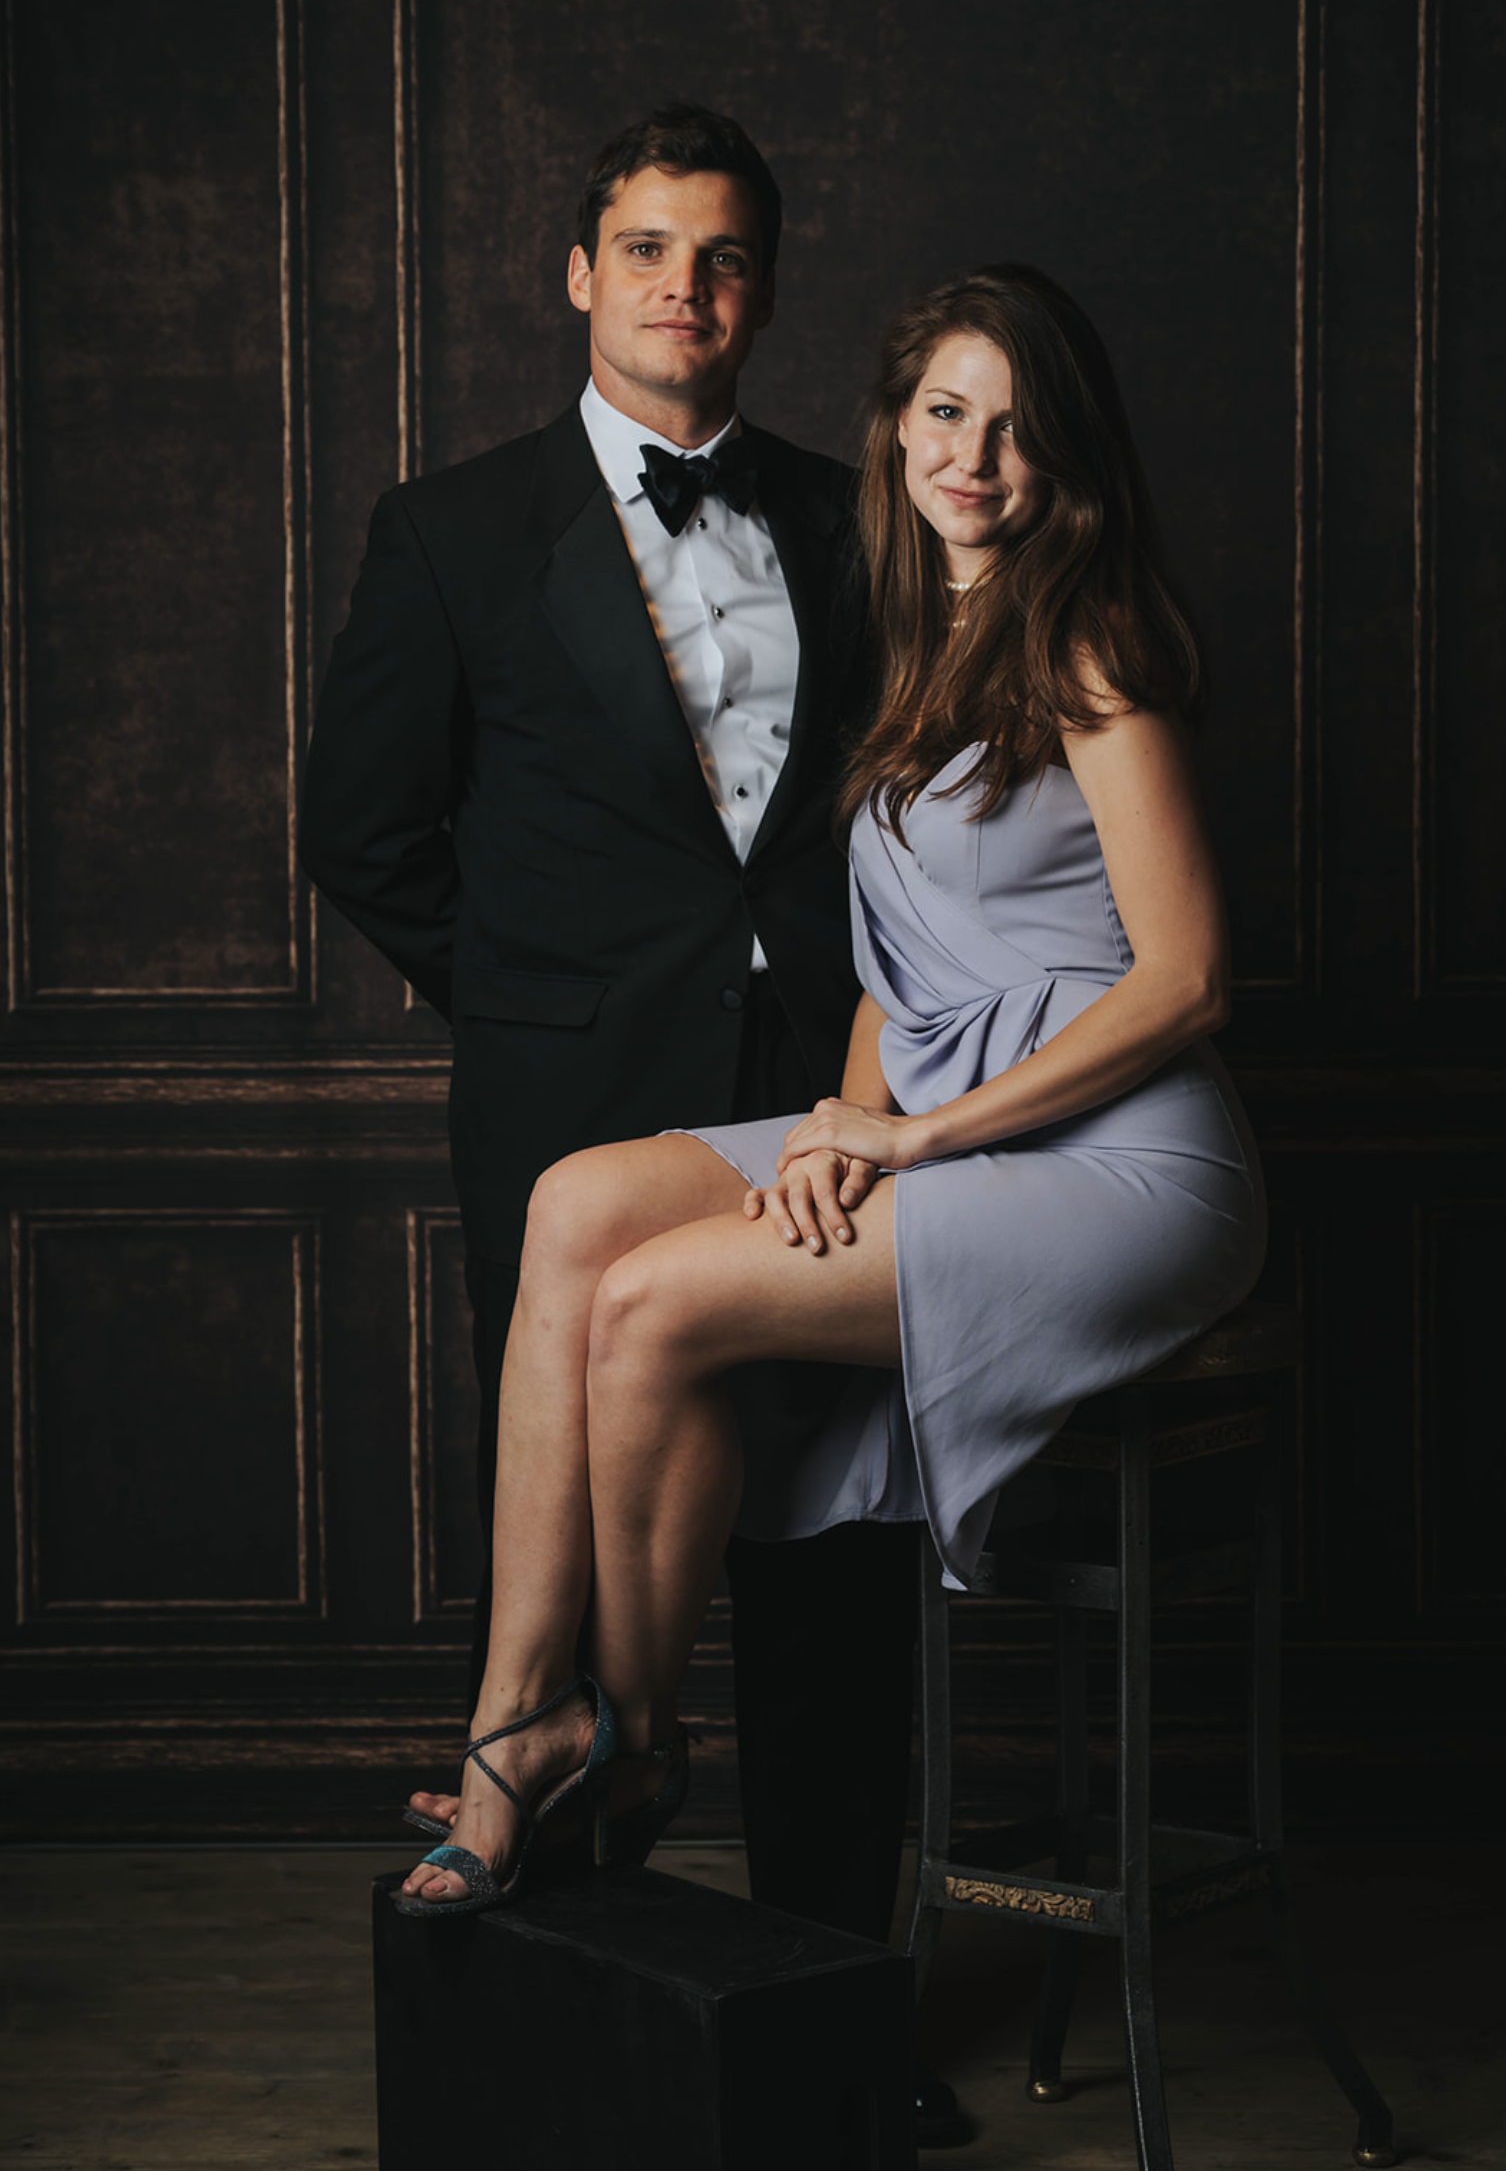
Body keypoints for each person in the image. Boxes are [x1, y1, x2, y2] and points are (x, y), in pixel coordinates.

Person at [389, 262, 1267, 1935]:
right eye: (945, 412)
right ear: (896, 427)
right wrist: (823, 1131)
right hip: (942, 1104)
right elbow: (894, 966)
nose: (972, 457)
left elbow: (1187, 979)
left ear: (1065, 456)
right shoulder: (931, 638)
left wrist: (909, 1138)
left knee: (652, 1308)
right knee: (575, 1207)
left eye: (1014, 428)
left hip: (1122, 1160)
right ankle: (515, 1715)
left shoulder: (1087, 638)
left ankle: (629, 1733)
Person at [300, 105, 940, 2099]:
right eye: (650, 250)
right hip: (577, 1105)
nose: (689, 290)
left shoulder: (862, 520)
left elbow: (902, 807)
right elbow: (361, 825)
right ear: (582, 276)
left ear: (766, 285)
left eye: (727, 255)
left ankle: (847, 2014)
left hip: (824, 1093)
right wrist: (534, 998)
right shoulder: (457, 527)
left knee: (831, 1560)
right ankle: (580, 2015)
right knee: (595, 1538)